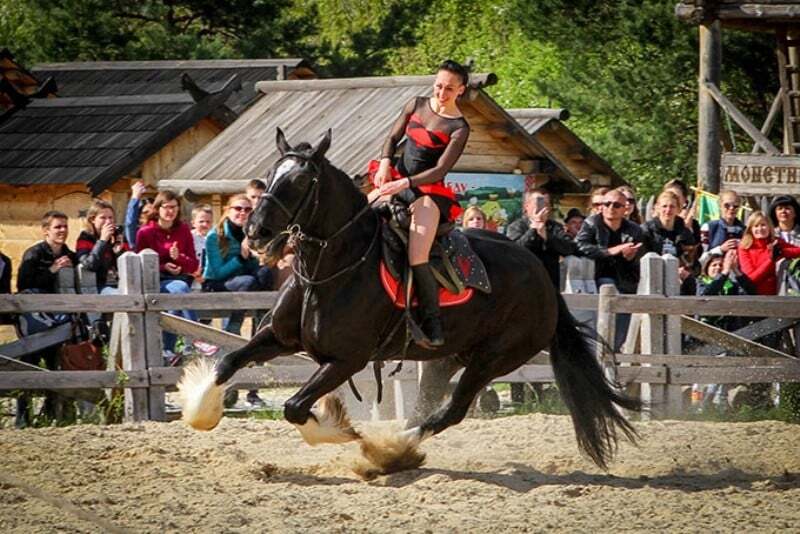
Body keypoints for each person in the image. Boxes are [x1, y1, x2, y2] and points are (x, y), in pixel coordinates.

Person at [369, 59, 471, 348]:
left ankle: (432, 320)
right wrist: (386, 163)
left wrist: (405, 183)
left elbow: (440, 170)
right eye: (438, 86)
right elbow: (391, 137)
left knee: (418, 255)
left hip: (428, 193)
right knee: (354, 215)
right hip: (394, 179)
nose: (441, 92)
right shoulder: (416, 104)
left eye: (449, 88)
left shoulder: (459, 128)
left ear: (460, 90)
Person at [203, 195, 272, 406]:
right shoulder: (215, 236)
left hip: (244, 284)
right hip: (218, 284)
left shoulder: (249, 233)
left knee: (264, 274)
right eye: (238, 209)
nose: (242, 213)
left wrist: (257, 257)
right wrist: (242, 257)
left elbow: (255, 271)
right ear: (227, 210)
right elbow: (217, 272)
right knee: (249, 281)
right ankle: (233, 330)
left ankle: (261, 326)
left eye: (247, 209)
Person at [16, 211, 77, 427]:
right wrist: (52, 270)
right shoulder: (33, 254)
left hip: (58, 319)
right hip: (35, 319)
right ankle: (23, 417)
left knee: (56, 364)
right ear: (46, 231)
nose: (62, 230)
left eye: (65, 226)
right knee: (29, 363)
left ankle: (53, 413)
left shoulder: (70, 254)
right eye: (57, 227)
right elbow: (23, 285)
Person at [576, 188, 646, 350]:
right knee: (612, 292)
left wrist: (631, 257)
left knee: (626, 308)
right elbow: (579, 247)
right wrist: (610, 251)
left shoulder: (634, 229)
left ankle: (613, 348)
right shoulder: (592, 223)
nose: (610, 208)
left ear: (624, 209)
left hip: (626, 279)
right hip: (596, 278)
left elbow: (642, 256)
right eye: (606, 204)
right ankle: (606, 348)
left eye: (616, 205)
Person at [135, 191, 199, 363]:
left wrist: (179, 259)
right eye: (167, 207)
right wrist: (164, 266)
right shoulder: (145, 232)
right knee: (180, 290)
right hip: (154, 283)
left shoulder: (184, 229)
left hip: (179, 281)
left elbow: (193, 265)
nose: (170, 211)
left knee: (174, 306)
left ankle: (167, 351)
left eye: (174, 207)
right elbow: (140, 262)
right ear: (158, 208)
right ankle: (197, 337)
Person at [694, 250, 757, 411]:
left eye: (721, 265)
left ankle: (718, 405)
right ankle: (702, 404)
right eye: (714, 265)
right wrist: (723, 273)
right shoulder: (701, 283)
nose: (718, 267)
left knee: (725, 371)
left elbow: (752, 291)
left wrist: (736, 270)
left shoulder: (732, 286)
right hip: (704, 337)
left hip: (730, 335)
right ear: (706, 269)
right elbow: (708, 294)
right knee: (708, 374)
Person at [507, 188, 578, 289]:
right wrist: (532, 230)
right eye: (538, 203)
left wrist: (545, 235)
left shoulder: (555, 227)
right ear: (527, 206)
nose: (542, 207)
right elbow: (516, 251)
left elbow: (568, 249)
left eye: (546, 204)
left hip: (549, 281)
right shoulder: (516, 226)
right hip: (524, 281)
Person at [640, 190, 697, 294]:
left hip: (678, 275)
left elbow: (691, 259)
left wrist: (684, 270)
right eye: (664, 206)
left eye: (672, 206)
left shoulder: (685, 232)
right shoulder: (646, 230)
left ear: (678, 209)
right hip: (652, 274)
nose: (668, 210)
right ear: (657, 207)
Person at [738, 210, 800, 296]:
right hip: (753, 295)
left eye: (763, 225)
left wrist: (782, 252)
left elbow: (798, 250)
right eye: (756, 226)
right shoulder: (745, 247)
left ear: (769, 227)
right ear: (750, 229)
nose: (760, 229)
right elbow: (751, 278)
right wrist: (770, 259)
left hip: (775, 294)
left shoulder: (776, 242)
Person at [75, 200, 127, 293]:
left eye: (110, 218)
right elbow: (89, 265)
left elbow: (127, 266)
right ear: (92, 220)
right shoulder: (85, 238)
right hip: (97, 286)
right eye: (103, 218)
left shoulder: (117, 235)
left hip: (118, 283)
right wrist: (102, 240)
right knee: (119, 295)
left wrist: (119, 252)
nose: (108, 221)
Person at [700, 190, 745, 256]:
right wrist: (720, 249)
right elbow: (700, 257)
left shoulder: (745, 230)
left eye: (735, 206)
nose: (731, 208)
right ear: (720, 206)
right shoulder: (708, 227)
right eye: (727, 205)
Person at [124, 181, 154, 249]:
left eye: (153, 212)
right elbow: (130, 223)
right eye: (146, 212)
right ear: (139, 217)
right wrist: (135, 197)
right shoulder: (136, 235)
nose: (150, 215)